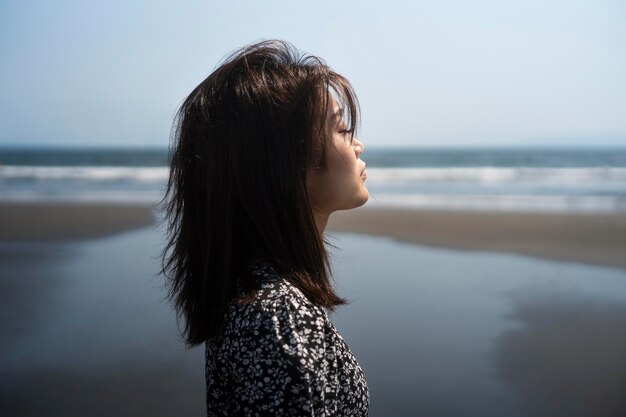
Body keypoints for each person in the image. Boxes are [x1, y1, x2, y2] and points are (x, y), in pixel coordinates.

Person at [160, 39, 369, 416]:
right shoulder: (277, 321)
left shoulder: (255, 295)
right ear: (289, 164)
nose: (357, 144)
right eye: (341, 129)